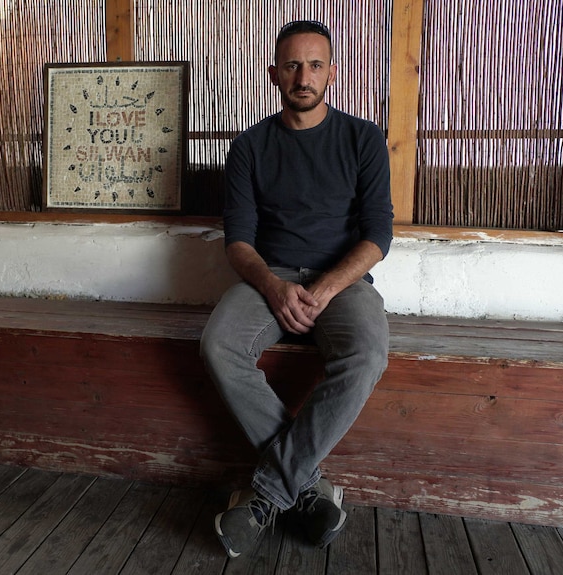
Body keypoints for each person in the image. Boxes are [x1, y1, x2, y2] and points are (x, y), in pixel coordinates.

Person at [199, 20, 394, 558]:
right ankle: (306, 489)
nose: (302, 76)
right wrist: (274, 285)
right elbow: (238, 242)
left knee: (367, 354)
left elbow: (379, 235)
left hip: (344, 281)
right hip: (270, 274)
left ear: (332, 72)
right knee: (218, 345)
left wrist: (329, 286)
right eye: (291, 65)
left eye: (314, 64)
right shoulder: (250, 147)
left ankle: (267, 494)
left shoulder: (363, 138)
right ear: (273, 74)